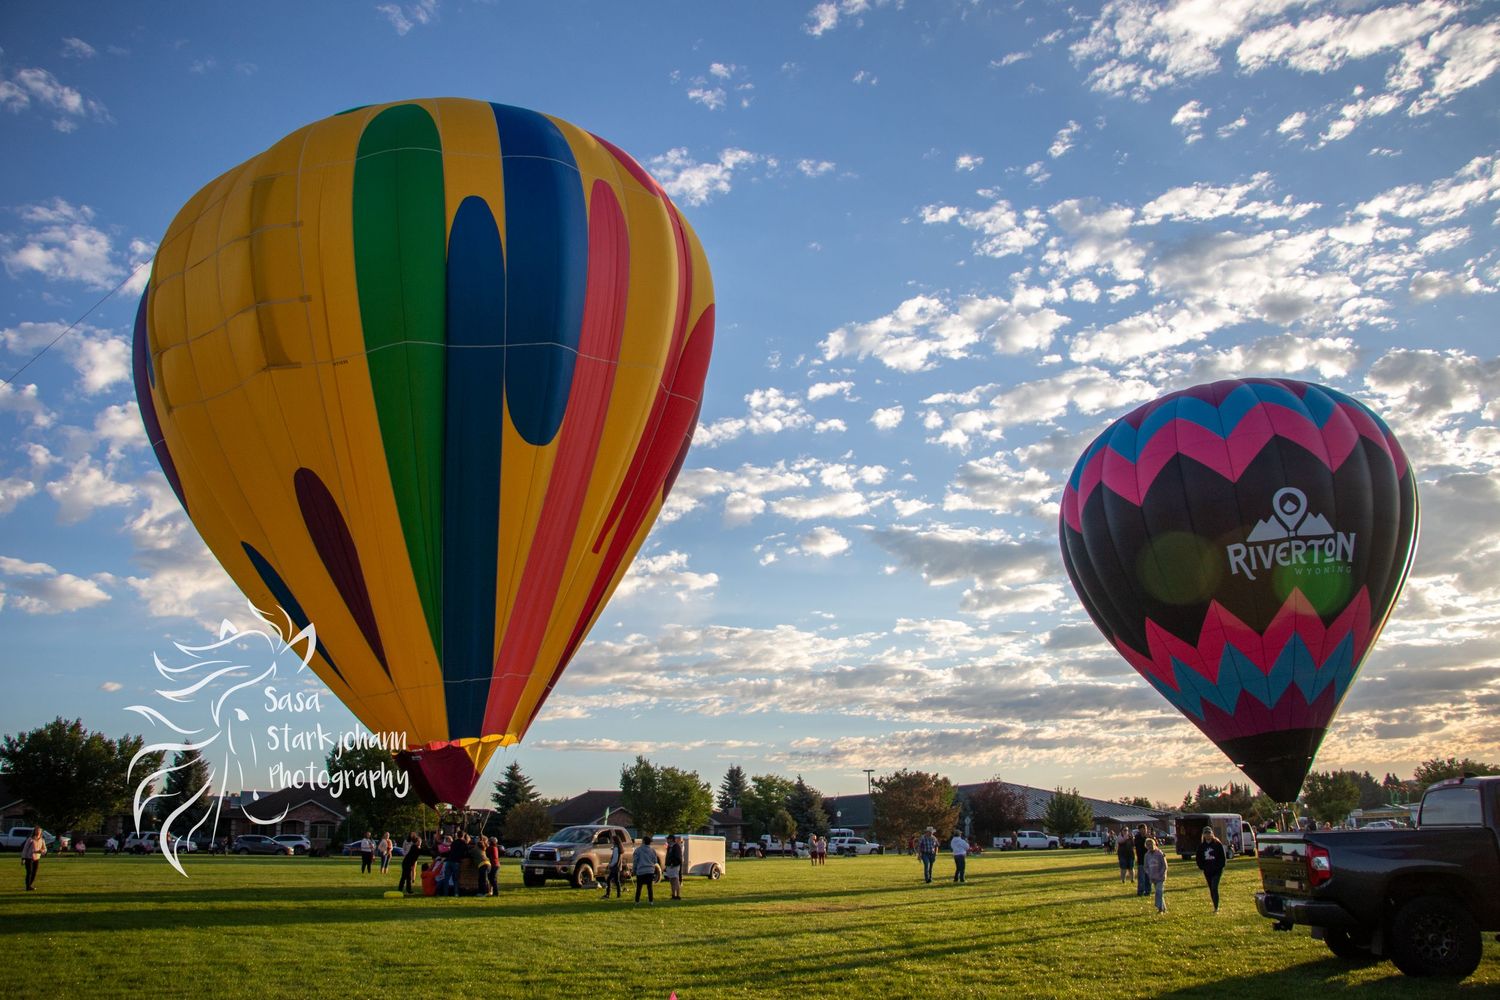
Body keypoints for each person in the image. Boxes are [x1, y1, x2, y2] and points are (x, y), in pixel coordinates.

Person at [1195, 826, 1227, 913]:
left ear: (1212, 834)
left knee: (1214, 887)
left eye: (1209, 833)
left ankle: (1216, 908)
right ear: (1203, 835)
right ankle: (1214, 906)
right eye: (1206, 833)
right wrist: (1202, 867)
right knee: (1211, 888)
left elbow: (1222, 858)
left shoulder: (1217, 844)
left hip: (1217, 870)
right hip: (1207, 870)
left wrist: (1219, 866)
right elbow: (1198, 858)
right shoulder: (1202, 846)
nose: (1208, 835)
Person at [1143, 837, 1169, 914]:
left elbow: (1165, 866)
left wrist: (1161, 874)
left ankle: (1159, 908)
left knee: (1159, 891)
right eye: (1148, 845)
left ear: (1154, 844)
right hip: (1153, 877)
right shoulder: (1147, 855)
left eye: (1151, 844)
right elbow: (1146, 867)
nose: (1150, 846)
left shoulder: (1160, 853)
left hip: (1161, 877)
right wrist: (1149, 874)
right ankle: (1164, 908)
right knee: (1159, 893)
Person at [632, 834, 658, 904]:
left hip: (640, 871)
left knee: (639, 887)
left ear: (643, 841)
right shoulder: (652, 850)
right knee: (649, 887)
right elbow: (655, 861)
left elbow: (635, 861)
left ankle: (637, 901)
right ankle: (651, 901)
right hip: (650, 871)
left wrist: (633, 870)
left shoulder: (638, 850)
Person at [602, 830, 625, 899]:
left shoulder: (616, 849)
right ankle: (618, 894)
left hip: (615, 867)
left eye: (612, 840)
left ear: (615, 841)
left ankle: (608, 894)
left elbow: (615, 859)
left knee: (609, 880)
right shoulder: (620, 848)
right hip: (618, 867)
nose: (611, 841)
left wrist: (610, 865)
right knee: (616, 881)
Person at [665, 834, 684, 900]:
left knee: (676, 880)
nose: (667, 840)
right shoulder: (669, 847)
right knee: (671, 881)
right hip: (669, 866)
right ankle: (673, 895)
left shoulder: (676, 846)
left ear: (671, 839)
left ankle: (678, 896)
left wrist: (673, 863)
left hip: (674, 866)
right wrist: (667, 864)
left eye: (668, 839)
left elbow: (678, 857)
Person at [1133, 825, 1149, 897]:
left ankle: (1148, 891)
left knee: (1148, 877)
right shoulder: (1137, 838)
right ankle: (1140, 891)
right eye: (1142, 829)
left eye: (1145, 829)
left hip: (1149, 860)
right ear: (1139, 830)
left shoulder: (1149, 838)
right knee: (1141, 877)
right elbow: (1139, 847)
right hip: (1141, 860)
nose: (1144, 830)